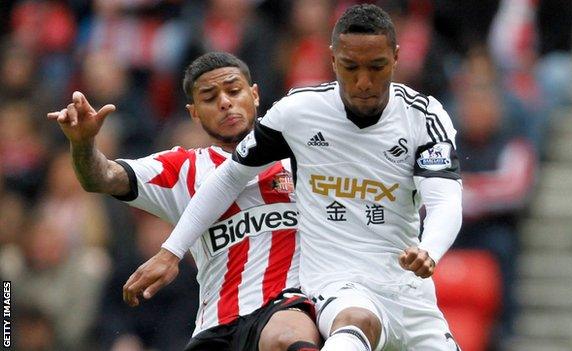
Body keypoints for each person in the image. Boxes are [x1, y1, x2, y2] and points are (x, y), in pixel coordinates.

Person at [137, 4, 463, 350]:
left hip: (408, 291)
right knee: (356, 322)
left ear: (396, 57)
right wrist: (172, 250)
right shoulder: (300, 112)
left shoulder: (423, 117)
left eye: (377, 67)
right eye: (351, 67)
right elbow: (230, 177)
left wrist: (430, 249)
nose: (364, 81)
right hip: (337, 284)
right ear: (333, 59)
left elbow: (444, 199)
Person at [46, 52, 321, 351]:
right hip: (218, 325)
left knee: (287, 339)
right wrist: (83, 143)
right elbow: (102, 177)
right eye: (209, 96)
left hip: (286, 306)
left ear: (254, 95)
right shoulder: (183, 169)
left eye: (233, 90)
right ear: (194, 113)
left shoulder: (299, 158)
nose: (225, 102)